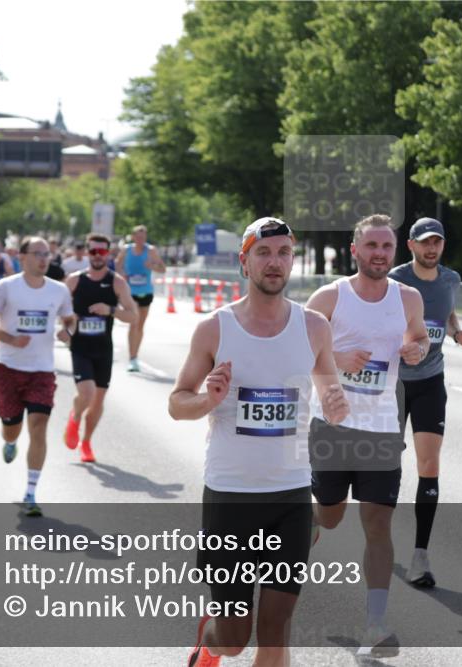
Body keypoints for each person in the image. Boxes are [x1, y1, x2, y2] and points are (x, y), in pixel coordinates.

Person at [170, 217, 349, 667]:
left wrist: (336, 405)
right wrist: (206, 399)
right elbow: (176, 403)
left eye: (284, 253)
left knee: (274, 633)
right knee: (234, 639)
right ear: (244, 261)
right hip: (231, 496)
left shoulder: (313, 328)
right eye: (264, 253)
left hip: (290, 495)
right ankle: (209, 644)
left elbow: (329, 391)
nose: (275, 262)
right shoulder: (215, 328)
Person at [304, 214, 429, 658]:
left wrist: (417, 349)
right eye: (371, 246)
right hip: (333, 428)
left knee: (377, 523)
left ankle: (375, 623)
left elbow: (418, 340)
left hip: (380, 430)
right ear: (355, 250)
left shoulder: (408, 297)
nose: (379, 254)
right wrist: (335, 356)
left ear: (395, 253)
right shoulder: (330, 297)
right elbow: (295, 345)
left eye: (386, 247)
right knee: (330, 517)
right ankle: (304, 530)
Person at [389, 217, 462, 589]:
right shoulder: (394, 279)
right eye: (425, 242)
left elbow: (447, 311)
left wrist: (458, 333)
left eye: (437, 243)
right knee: (385, 464)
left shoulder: (451, 278)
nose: (431, 249)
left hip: (430, 381)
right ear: (410, 245)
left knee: (429, 464)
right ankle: (378, 539)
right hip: (392, 383)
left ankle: (420, 556)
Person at [0, 237, 75, 517]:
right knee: (12, 427)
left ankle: (31, 492)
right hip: (7, 370)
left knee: (39, 426)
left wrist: (68, 332)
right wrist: (8, 338)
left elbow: (69, 319)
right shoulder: (6, 287)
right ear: (22, 257)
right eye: (38, 254)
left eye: (48, 254)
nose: (44, 259)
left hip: (42, 371)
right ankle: (9, 442)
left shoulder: (59, 290)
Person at [60, 234, 137, 463]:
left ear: (108, 254)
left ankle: (86, 442)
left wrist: (110, 310)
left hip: (104, 349)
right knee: (87, 393)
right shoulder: (74, 281)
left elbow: (133, 317)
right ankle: (74, 418)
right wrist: (65, 326)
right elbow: (59, 310)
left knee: (97, 401)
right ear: (86, 252)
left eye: (101, 252)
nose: (97, 256)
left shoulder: (117, 283)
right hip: (80, 347)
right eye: (93, 251)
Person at [115, 225, 166, 372]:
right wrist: (122, 274)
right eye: (138, 237)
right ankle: (132, 358)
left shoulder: (150, 250)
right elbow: (117, 266)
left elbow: (162, 269)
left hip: (146, 291)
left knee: (140, 325)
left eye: (143, 237)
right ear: (133, 236)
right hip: (130, 292)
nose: (140, 240)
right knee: (133, 322)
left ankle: (135, 355)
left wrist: (152, 266)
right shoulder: (126, 250)